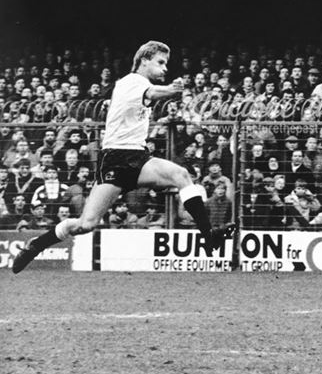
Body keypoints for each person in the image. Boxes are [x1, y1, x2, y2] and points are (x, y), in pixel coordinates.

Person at [12, 42, 235, 273]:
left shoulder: (141, 85)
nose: (164, 68)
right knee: (85, 224)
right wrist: (171, 89)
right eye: (161, 62)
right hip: (116, 160)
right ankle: (36, 245)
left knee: (181, 175)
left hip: (138, 157)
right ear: (144, 60)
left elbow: (148, 97)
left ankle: (208, 235)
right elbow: (153, 93)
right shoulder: (130, 82)